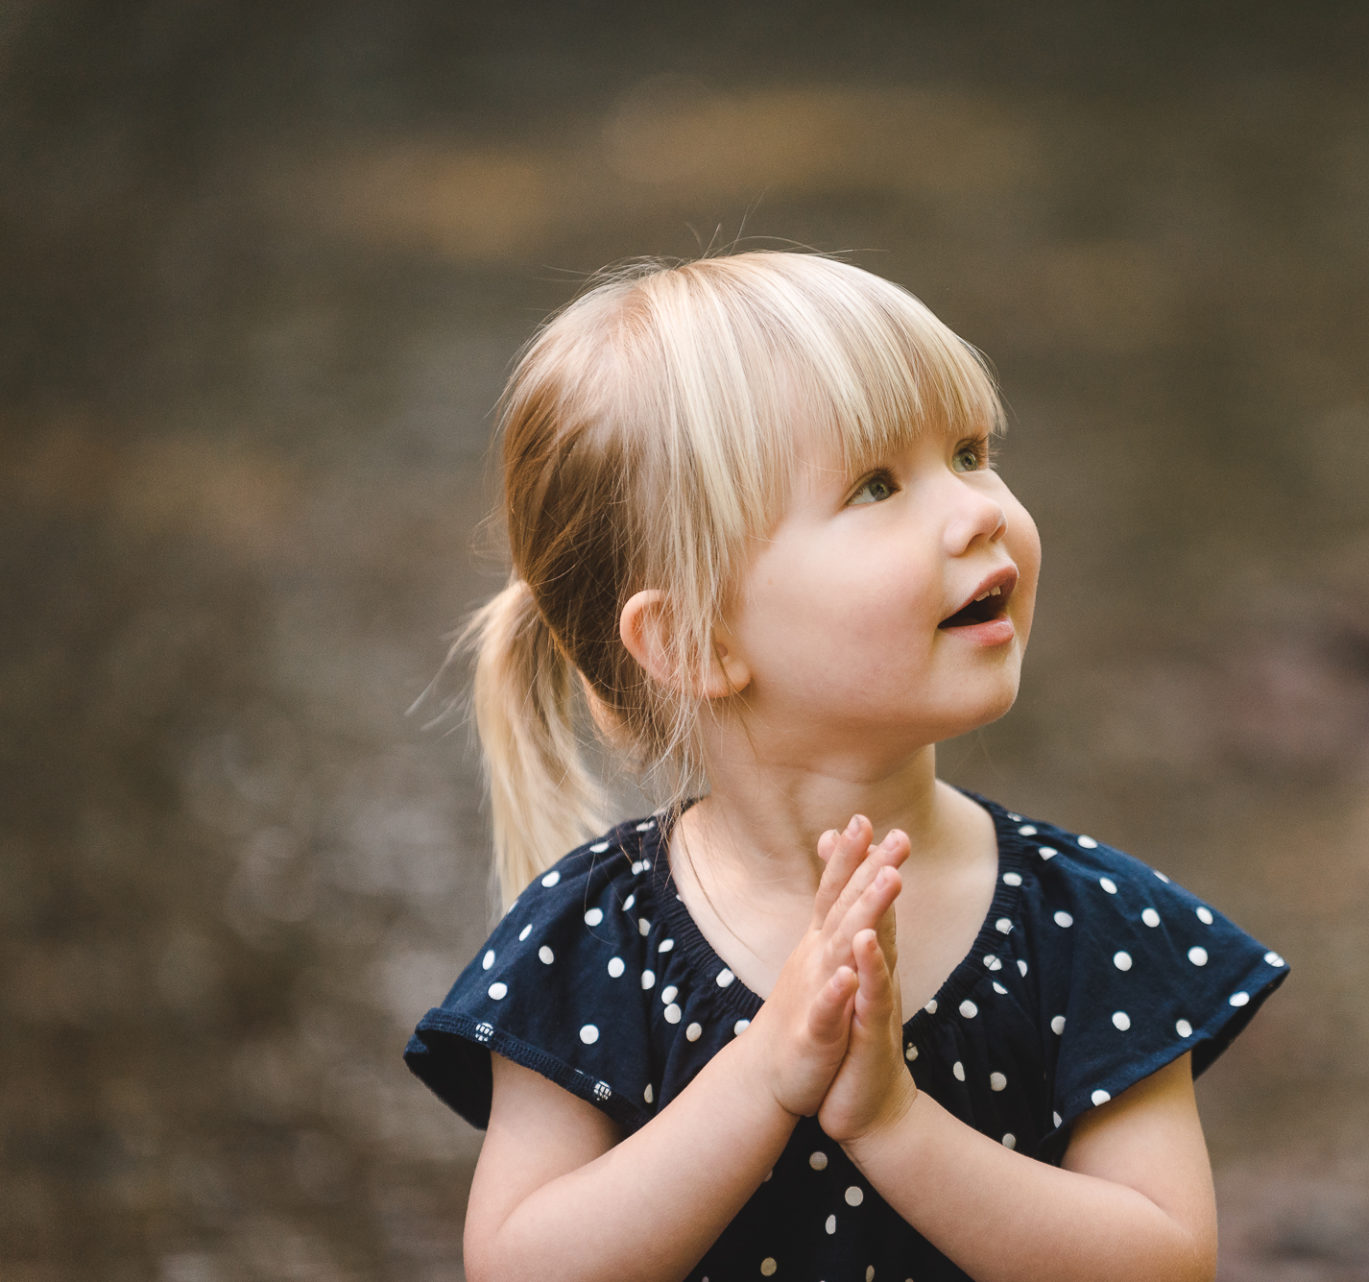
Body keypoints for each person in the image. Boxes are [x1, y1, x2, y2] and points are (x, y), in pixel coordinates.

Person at [403, 250, 1289, 1282]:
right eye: (877, 484)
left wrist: (895, 1125)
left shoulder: (1084, 922)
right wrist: (763, 1079)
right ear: (693, 641)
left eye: (970, 452)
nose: (979, 511)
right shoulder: (595, 940)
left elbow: (1164, 1259)